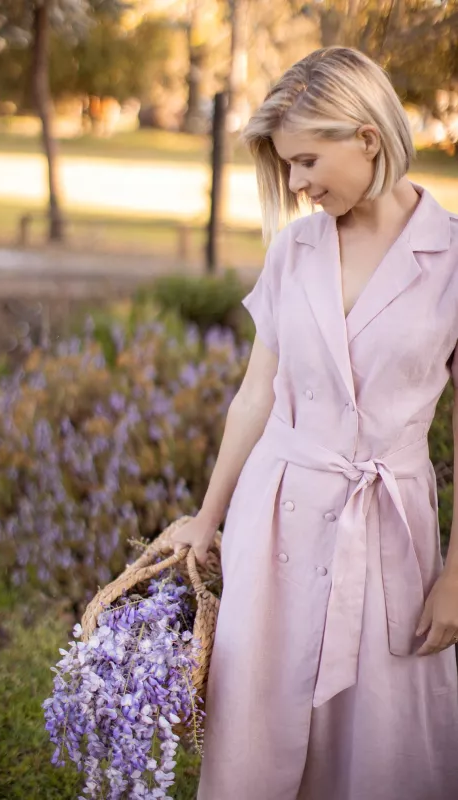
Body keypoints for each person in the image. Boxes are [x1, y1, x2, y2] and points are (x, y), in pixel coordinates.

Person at [170, 46, 458, 800]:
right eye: (286, 167)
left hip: (391, 532)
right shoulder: (293, 248)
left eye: (305, 161)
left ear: (367, 137)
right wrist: (207, 518)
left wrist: (457, 579)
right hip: (279, 520)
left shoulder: (454, 258)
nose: (295, 185)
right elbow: (255, 395)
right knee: (258, 733)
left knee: (379, 742)